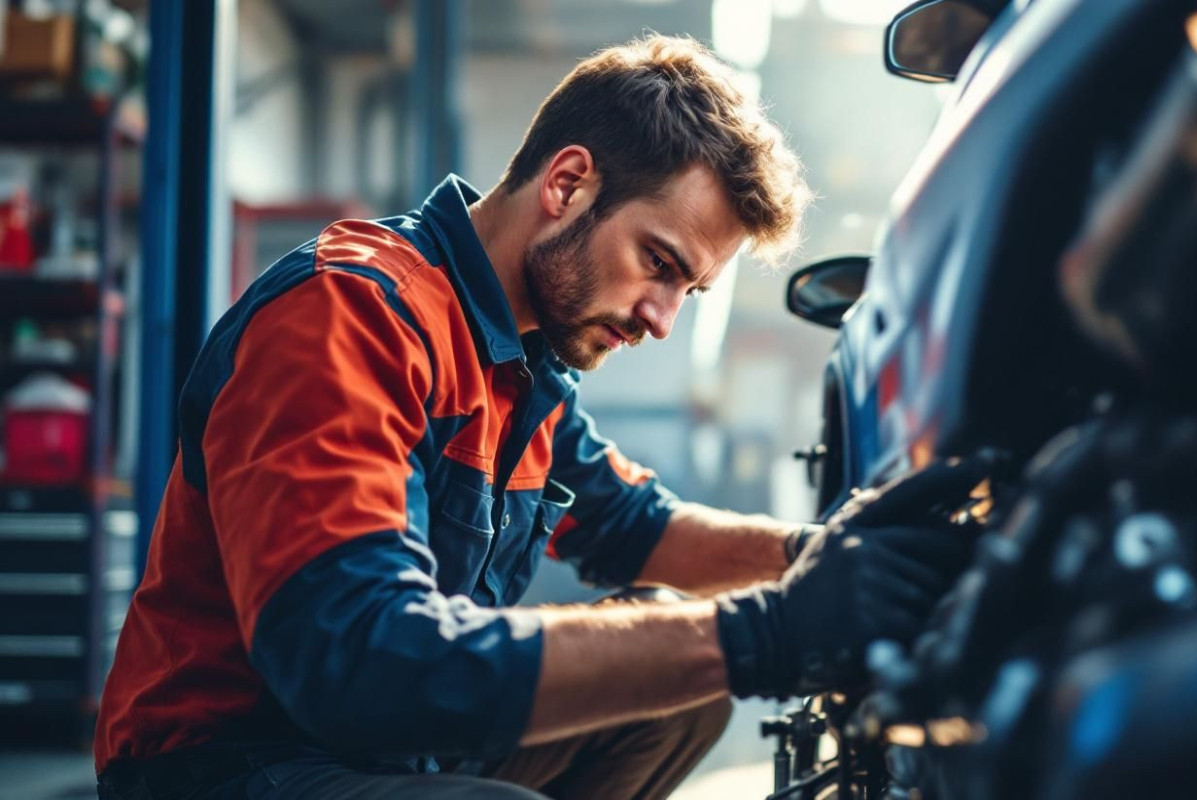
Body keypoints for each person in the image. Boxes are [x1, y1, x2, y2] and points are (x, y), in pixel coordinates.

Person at [94, 35, 980, 799]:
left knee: (677, 694)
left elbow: (639, 529)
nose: (661, 320)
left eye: (690, 290)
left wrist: (830, 557)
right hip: (224, 762)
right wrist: (768, 635)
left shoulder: (523, 364)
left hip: (385, 749)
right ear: (567, 183)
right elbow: (359, 662)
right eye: (659, 263)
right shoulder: (351, 314)